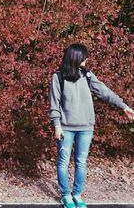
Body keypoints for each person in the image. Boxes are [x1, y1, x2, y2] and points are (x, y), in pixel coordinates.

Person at [48, 43, 134, 208]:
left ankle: (77, 194)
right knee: (63, 161)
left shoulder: (87, 75)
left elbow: (105, 92)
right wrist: (57, 126)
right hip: (65, 128)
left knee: (81, 161)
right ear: (76, 57)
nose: (87, 59)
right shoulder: (58, 77)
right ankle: (65, 195)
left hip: (86, 128)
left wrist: (124, 107)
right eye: (84, 56)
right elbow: (54, 105)